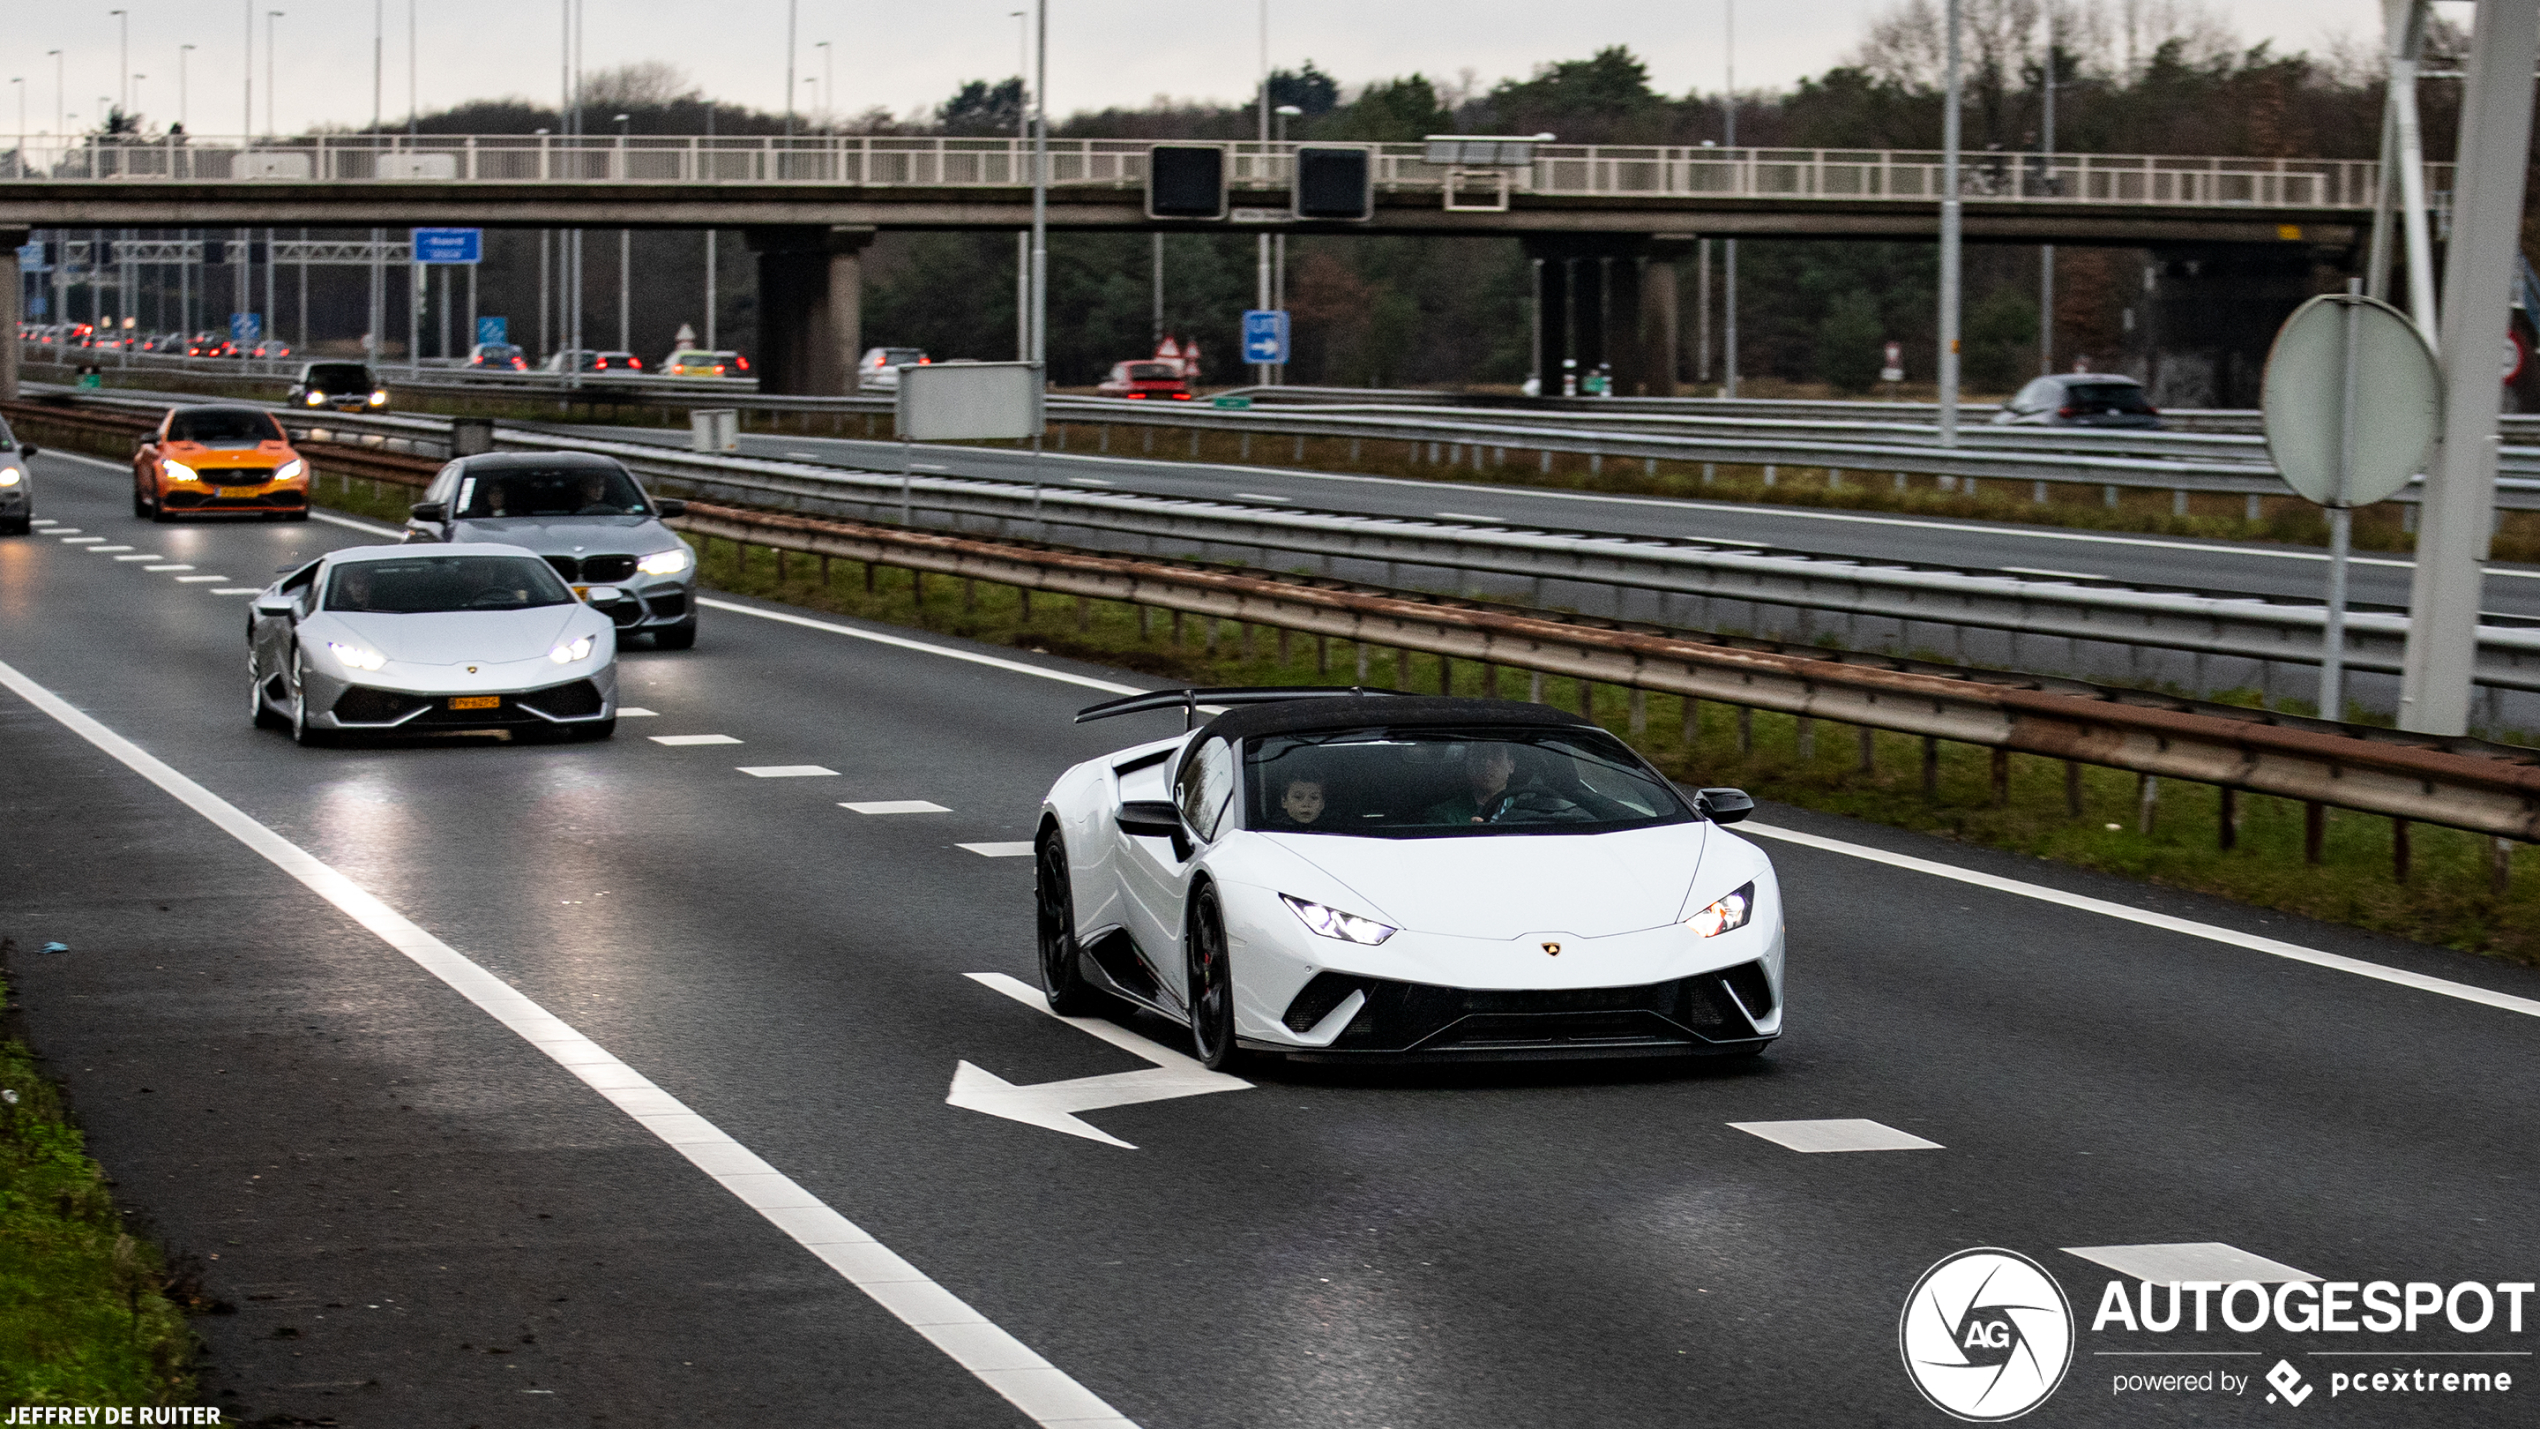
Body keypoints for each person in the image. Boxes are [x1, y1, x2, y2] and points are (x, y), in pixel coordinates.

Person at [1425, 742, 1520, 825]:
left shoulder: (1523, 809)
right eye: (1479, 756)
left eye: (1496, 756)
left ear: (1511, 766)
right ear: (1468, 766)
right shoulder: (1442, 814)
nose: (1487, 763)